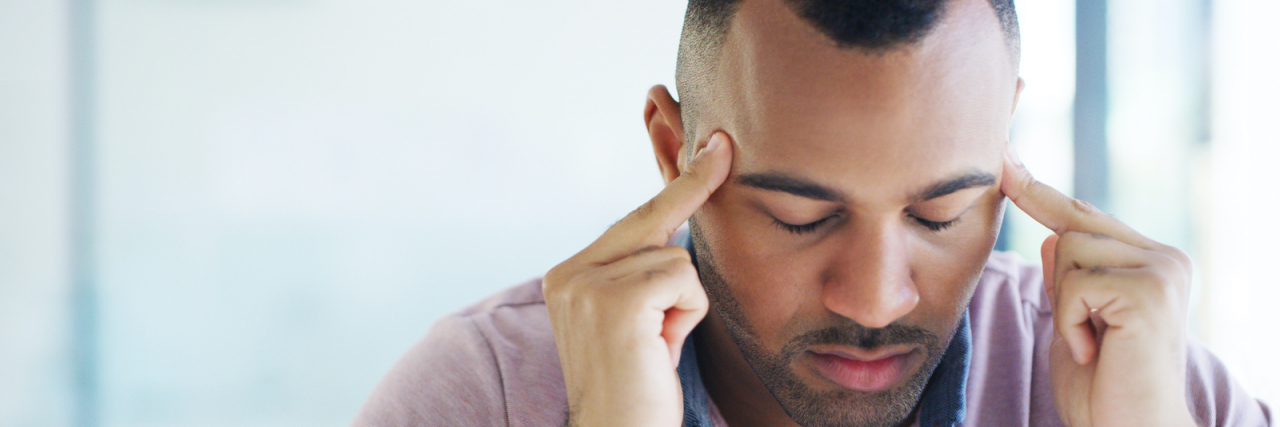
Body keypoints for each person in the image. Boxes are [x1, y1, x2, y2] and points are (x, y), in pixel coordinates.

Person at [352, 0, 1273, 425]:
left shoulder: (1151, 389)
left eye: (943, 211)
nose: (874, 301)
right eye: (799, 216)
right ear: (676, 156)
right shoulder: (484, 399)